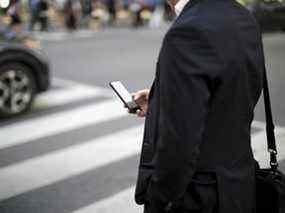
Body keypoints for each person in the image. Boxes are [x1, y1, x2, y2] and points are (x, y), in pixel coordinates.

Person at [132, 0, 265, 212]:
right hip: (241, 186)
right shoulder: (242, 16)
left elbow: (178, 148)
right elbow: (232, 89)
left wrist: (158, 199)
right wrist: (162, 98)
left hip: (199, 197)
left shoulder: (187, 31)